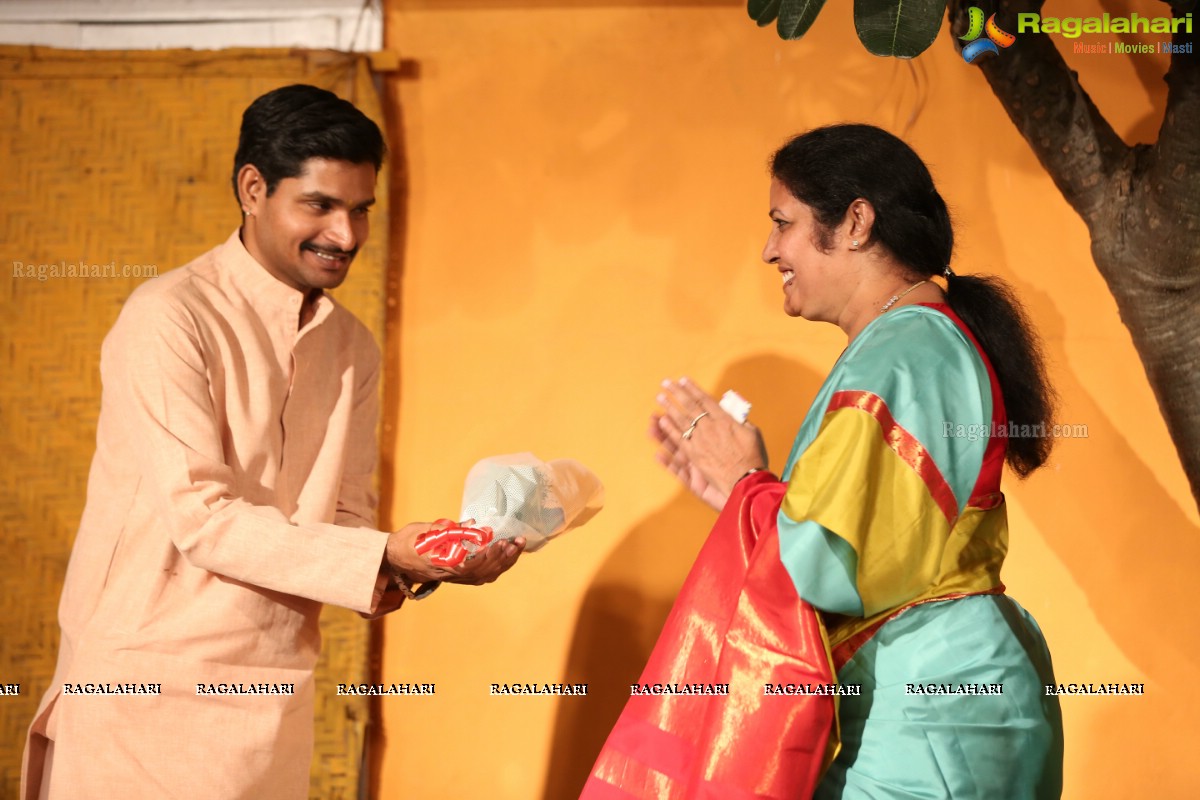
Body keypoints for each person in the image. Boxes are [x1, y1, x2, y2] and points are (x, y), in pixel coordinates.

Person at [21, 84, 524, 800]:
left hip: (270, 698)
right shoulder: (169, 318)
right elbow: (203, 516)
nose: (345, 236)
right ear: (252, 189)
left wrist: (424, 561)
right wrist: (381, 553)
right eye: (319, 206)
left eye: (360, 210)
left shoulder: (352, 347)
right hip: (142, 693)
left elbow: (345, 519)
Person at [583, 124, 1063, 799]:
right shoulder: (915, 341)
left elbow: (829, 571)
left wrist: (749, 488)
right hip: (944, 702)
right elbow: (861, 540)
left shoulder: (903, 351)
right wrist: (741, 501)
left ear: (856, 223)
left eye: (784, 224)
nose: (769, 250)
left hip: (931, 718)